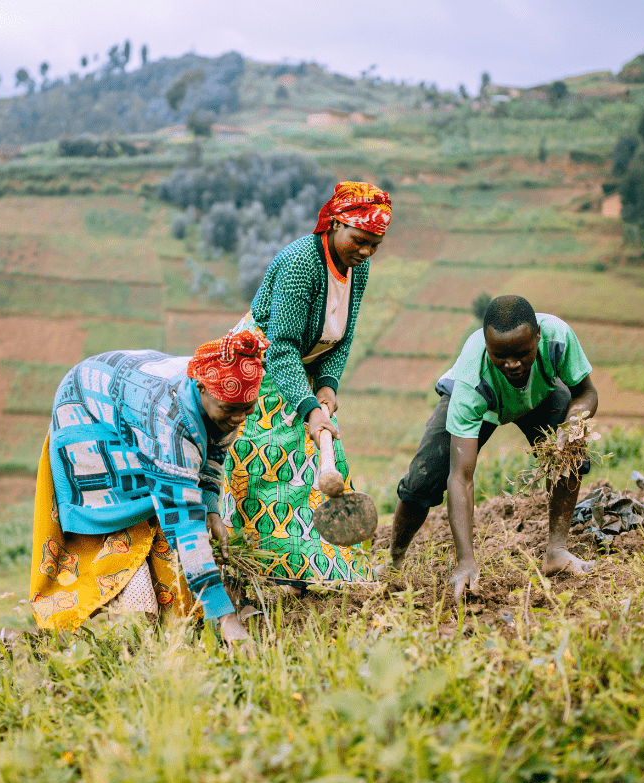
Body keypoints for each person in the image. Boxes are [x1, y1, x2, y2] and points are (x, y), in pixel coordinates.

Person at [29, 330, 269, 651]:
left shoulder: (227, 398)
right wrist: (225, 617)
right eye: (229, 410)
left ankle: (166, 606)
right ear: (201, 389)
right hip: (86, 410)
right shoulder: (169, 419)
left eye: (247, 409)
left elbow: (214, 452)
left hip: (129, 399)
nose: (238, 418)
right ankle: (133, 607)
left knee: (174, 501)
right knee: (142, 513)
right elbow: (182, 517)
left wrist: (211, 506)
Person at [220, 181, 392, 587]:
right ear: (333, 224)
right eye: (359, 240)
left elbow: (343, 334)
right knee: (262, 461)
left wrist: (328, 385)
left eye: (374, 245)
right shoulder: (301, 264)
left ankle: (326, 562)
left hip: (304, 366)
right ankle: (254, 565)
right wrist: (310, 410)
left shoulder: (357, 267)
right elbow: (281, 348)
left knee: (319, 464)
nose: (365, 251)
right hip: (257, 368)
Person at [389, 295, 599, 600]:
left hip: (538, 396)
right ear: (487, 346)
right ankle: (394, 561)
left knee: (569, 455)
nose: (512, 364)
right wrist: (466, 561)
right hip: (484, 401)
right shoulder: (471, 379)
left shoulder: (558, 337)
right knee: (422, 480)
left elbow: (586, 393)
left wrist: (573, 422)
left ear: (538, 337)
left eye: (523, 353)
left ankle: (557, 551)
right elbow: (461, 476)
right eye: (500, 355)